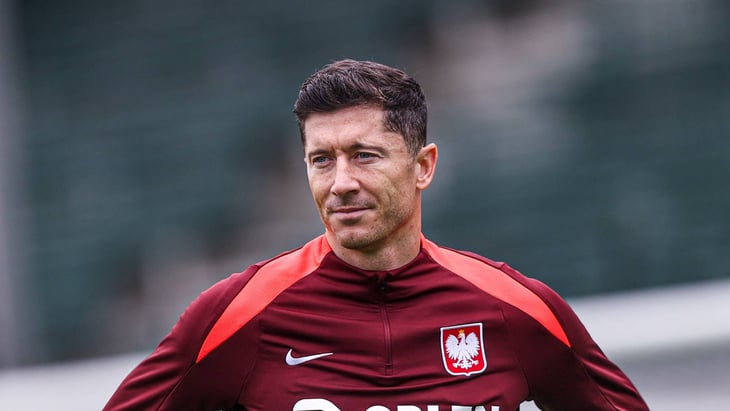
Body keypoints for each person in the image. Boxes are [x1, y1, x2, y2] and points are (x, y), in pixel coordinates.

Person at [104, 59, 649, 411]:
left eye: (364, 155)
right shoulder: (237, 314)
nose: (341, 183)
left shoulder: (516, 309)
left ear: (423, 166)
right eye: (321, 160)